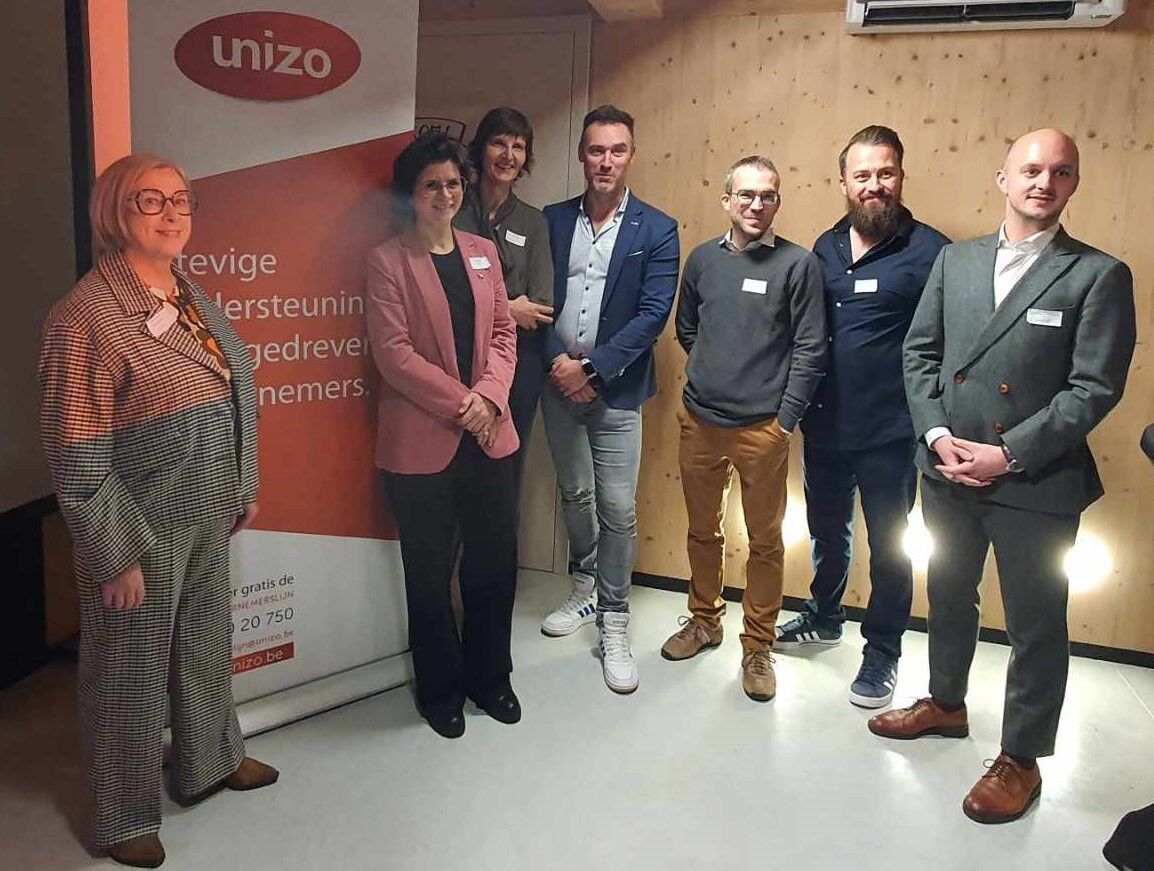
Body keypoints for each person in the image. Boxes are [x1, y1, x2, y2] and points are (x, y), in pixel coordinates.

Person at [869, 129, 1136, 825]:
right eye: (1031, 169)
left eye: (1061, 172)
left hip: (1035, 479)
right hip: (948, 467)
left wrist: (1008, 452)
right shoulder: (955, 260)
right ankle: (946, 703)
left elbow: (1094, 388)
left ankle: (1022, 756)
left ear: (1074, 184)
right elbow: (919, 354)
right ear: (1003, 179)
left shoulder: (1098, 274)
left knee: (1035, 622)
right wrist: (935, 434)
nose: (1044, 182)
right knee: (949, 595)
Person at [38, 153, 277, 868]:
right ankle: (123, 814)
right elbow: (74, 448)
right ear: (114, 212)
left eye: (181, 199)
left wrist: (241, 483)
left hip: (204, 506)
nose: (173, 213)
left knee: (204, 643)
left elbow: (230, 388)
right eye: (151, 200)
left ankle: (211, 759)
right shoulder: (86, 316)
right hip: (139, 525)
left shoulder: (185, 291)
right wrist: (114, 554)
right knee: (127, 671)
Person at [776, 126, 950, 709]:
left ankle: (883, 649)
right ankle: (824, 616)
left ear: (901, 176)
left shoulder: (932, 252)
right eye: (863, 175)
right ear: (844, 182)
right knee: (826, 531)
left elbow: (945, 346)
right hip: (824, 424)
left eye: (885, 173)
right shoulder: (824, 247)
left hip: (891, 432)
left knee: (890, 546)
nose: (874, 184)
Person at [366, 132, 520, 739]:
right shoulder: (388, 261)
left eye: (453, 183)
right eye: (431, 184)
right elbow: (394, 354)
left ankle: (491, 679)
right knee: (429, 574)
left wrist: (491, 397)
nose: (444, 194)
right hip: (421, 443)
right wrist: (466, 404)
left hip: (490, 436)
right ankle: (440, 691)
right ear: (411, 192)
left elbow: (504, 332)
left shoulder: (483, 252)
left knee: (493, 565)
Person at [660, 156, 827, 702]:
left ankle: (757, 645)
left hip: (763, 430)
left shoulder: (798, 265)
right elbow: (687, 327)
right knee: (702, 531)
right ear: (727, 200)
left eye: (768, 195)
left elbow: (810, 348)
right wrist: (715, 371)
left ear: (778, 201)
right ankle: (704, 620)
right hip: (700, 421)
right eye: (747, 195)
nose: (757, 204)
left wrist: (784, 422)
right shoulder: (703, 260)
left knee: (765, 542)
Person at [537, 105, 680, 694]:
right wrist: (559, 363)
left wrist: (592, 369)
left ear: (630, 155)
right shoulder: (551, 220)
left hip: (617, 392)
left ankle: (615, 618)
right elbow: (533, 298)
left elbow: (653, 315)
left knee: (617, 509)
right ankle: (586, 586)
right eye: (596, 150)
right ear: (582, 155)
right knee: (575, 493)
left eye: (617, 150)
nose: (606, 161)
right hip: (557, 384)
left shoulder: (657, 228)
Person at [454, 107, 554, 487]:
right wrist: (510, 307)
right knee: (457, 469)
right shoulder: (452, 211)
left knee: (505, 473)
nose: (508, 155)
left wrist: (482, 308)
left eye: (519, 146)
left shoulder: (533, 221)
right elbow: (440, 295)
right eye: (499, 143)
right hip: (457, 361)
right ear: (481, 148)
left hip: (516, 365)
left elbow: (540, 307)